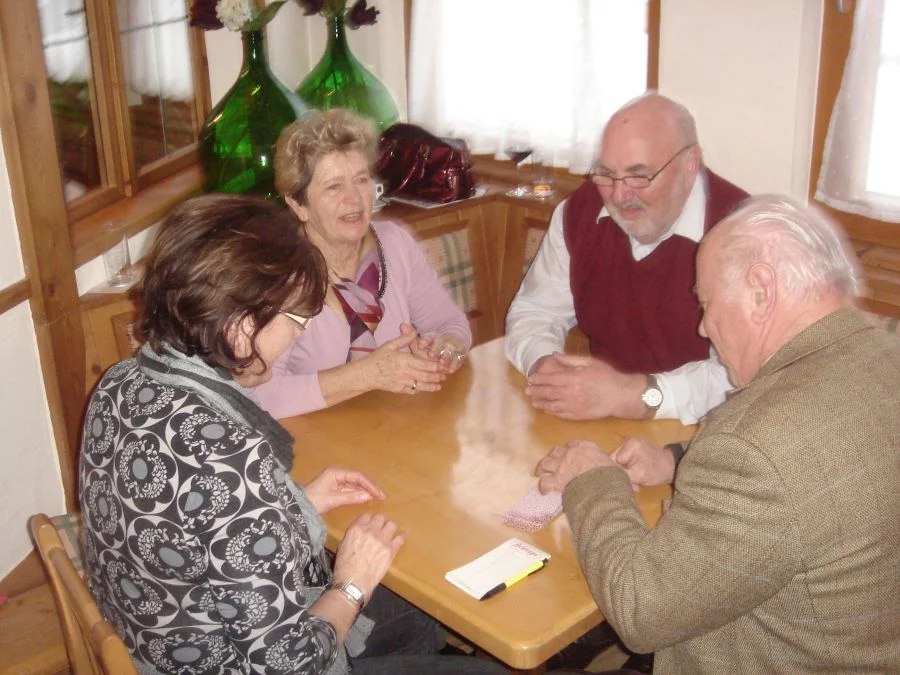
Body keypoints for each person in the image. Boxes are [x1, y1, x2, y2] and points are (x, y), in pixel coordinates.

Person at [79, 194, 503, 675]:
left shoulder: (120, 381)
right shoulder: (231, 460)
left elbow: (199, 524)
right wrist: (351, 584)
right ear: (241, 330)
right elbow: (289, 665)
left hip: (153, 639)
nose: (301, 334)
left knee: (419, 613)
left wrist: (291, 503)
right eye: (297, 319)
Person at [535, 195, 900, 673]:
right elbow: (806, 473)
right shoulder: (880, 349)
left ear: (761, 290)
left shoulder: (756, 443)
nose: (704, 327)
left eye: (706, 303)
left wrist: (591, 477)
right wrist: (675, 458)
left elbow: (641, 610)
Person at [505, 92, 748, 425]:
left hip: (702, 432)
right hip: (600, 419)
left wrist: (631, 395)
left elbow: (740, 377)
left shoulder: (742, 234)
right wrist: (545, 366)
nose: (619, 196)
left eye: (639, 176)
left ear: (690, 165)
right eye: (605, 174)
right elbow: (536, 309)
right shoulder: (580, 213)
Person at [253, 109, 472, 419]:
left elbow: (451, 323)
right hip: (318, 443)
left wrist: (444, 348)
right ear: (297, 203)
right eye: (333, 187)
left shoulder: (394, 243)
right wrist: (367, 375)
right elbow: (260, 396)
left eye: (361, 180)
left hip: (397, 426)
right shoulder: (278, 274)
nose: (354, 199)